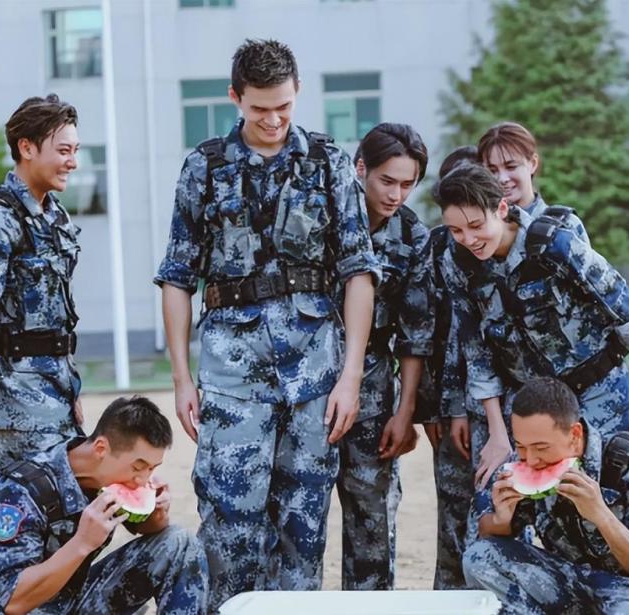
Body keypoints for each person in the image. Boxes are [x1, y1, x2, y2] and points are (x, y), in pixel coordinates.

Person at [154, 38, 379, 606]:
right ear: (235, 97)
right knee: (229, 527)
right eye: (259, 108)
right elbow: (178, 278)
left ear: (297, 90)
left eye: (283, 105)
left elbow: (358, 272)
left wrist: (350, 375)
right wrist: (183, 379)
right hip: (233, 378)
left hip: (315, 378)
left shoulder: (329, 164)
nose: (274, 119)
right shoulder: (203, 168)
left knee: (303, 529)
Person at [434, 162, 629, 489]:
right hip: (535, 402)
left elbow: (617, 299)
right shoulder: (458, 264)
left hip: (600, 386)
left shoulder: (552, 243)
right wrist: (498, 433)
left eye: (476, 225)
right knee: (539, 496)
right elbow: (476, 349)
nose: (468, 239)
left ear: (501, 208)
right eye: (456, 230)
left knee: (625, 480)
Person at [0, 396, 208, 614]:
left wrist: (157, 513)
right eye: (138, 467)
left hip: (64, 603)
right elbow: (13, 600)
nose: (143, 479)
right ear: (101, 448)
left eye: (152, 468)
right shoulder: (21, 493)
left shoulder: (107, 477)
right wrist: (82, 543)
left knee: (179, 542)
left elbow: (148, 530)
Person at [463, 377, 629, 614]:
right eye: (521, 446)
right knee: (479, 558)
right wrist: (500, 521)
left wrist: (601, 515)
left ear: (575, 434)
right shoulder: (523, 462)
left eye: (542, 448)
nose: (531, 459)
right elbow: (487, 534)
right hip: (575, 577)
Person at [0, 94, 84, 477]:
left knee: (64, 517)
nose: (72, 161)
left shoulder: (54, 217)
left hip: (57, 395)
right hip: (17, 403)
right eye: (63, 150)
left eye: (75, 150)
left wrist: (70, 391)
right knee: (31, 515)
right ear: (27, 148)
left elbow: (57, 320)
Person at [337, 122, 433, 590]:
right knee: (298, 514)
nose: (396, 194)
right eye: (386, 181)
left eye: (407, 184)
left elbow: (415, 335)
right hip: (311, 375)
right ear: (361, 169)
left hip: (374, 386)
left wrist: (405, 410)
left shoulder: (415, 237)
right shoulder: (326, 216)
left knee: (372, 512)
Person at [420, 145, 493, 589]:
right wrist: (440, 409)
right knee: (452, 514)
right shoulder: (436, 246)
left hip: (506, 403)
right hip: (453, 404)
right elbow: (430, 334)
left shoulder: (503, 243)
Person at [477, 121, 585, 241]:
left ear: (533, 163)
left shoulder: (565, 226)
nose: (502, 179)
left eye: (511, 167)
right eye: (492, 170)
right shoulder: (476, 230)